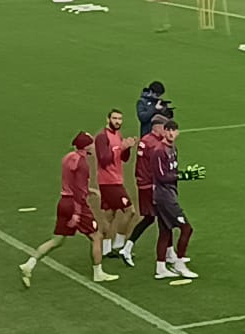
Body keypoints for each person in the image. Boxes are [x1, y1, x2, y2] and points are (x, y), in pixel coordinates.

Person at [19, 132, 120, 286]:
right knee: (96, 236)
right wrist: (77, 213)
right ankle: (98, 273)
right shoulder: (83, 164)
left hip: (63, 202)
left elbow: (72, 181)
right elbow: (78, 191)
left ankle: (30, 263)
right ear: (86, 147)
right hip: (75, 205)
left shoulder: (67, 158)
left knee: (57, 240)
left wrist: (90, 190)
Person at [146, 118, 198, 281]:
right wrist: (183, 176)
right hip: (164, 198)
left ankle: (161, 268)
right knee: (187, 229)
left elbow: (171, 172)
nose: (170, 133)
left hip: (168, 195)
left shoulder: (173, 148)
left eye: (173, 130)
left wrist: (184, 174)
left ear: (177, 133)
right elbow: (162, 176)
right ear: (164, 132)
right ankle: (179, 264)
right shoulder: (159, 151)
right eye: (168, 130)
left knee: (165, 232)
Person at [94, 109, 137, 264]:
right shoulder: (102, 137)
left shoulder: (118, 135)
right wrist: (121, 148)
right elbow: (104, 159)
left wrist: (128, 147)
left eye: (120, 119)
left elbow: (124, 158)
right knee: (130, 211)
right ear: (108, 119)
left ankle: (106, 249)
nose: (118, 121)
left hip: (114, 180)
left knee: (109, 215)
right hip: (109, 182)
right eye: (115, 118)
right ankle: (119, 245)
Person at [123, 117, 166, 268]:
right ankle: (168, 255)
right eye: (164, 128)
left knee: (151, 218)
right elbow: (155, 167)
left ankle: (127, 248)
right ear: (157, 127)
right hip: (150, 185)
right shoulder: (154, 143)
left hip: (144, 183)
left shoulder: (146, 140)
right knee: (162, 218)